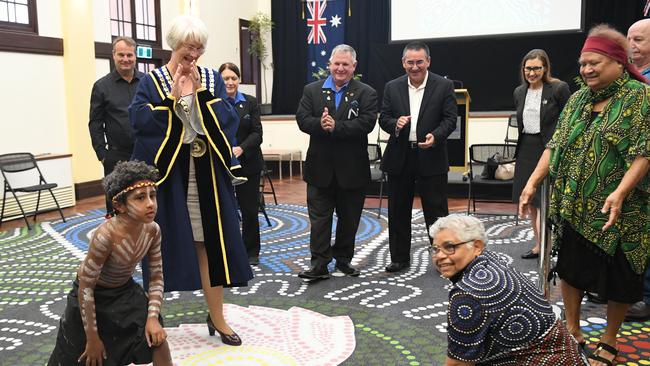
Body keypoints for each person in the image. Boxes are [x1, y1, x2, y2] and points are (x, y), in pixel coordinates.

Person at [520, 25, 649, 366]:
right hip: (574, 206)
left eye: (595, 63)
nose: (587, 70)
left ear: (619, 62)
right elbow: (555, 144)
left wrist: (621, 192)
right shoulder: (577, 99)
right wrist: (532, 182)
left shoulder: (639, 97)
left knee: (621, 277)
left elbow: (644, 152)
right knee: (571, 270)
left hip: (622, 211)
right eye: (583, 64)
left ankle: (609, 339)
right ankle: (573, 329)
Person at [129, 15, 253, 346]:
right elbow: (139, 121)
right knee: (157, 245)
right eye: (188, 47)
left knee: (209, 243)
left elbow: (228, 120)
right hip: (168, 178)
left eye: (199, 48)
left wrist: (199, 94)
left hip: (205, 177)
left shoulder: (210, 78)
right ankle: (153, 316)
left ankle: (217, 316)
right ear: (174, 45)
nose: (194, 54)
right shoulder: (152, 81)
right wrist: (171, 101)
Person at [48, 161, 172, 366]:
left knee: (157, 338)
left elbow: (157, 276)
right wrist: (92, 339)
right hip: (90, 296)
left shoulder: (153, 230)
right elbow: (86, 287)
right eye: (140, 198)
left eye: (153, 195)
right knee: (84, 356)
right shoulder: (106, 236)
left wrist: (152, 318)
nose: (150, 203)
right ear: (119, 205)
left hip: (123, 290)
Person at [429, 214, 588, 366]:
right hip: (564, 354)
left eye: (449, 247)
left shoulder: (469, 293)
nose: (439, 256)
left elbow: (458, 363)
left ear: (477, 246)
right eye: (435, 249)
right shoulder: (491, 261)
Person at [295, 44, 378, 280]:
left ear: (354, 67)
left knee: (349, 220)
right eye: (336, 64)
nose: (340, 68)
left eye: (345, 64)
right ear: (329, 65)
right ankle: (319, 264)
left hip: (352, 170)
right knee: (319, 220)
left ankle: (343, 260)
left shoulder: (367, 93)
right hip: (319, 170)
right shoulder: (311, 90)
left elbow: (367, 123)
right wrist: (320, 125)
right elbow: (302, 119)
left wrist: (337, 126)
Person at [379, 41, 457, 273]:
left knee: (436, 212)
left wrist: (437, 135)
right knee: (398, 210)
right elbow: (383, 118)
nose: (415, 67)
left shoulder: (443, 86)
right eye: (410, 62)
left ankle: (442, 257)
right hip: (399, 157)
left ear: (428, 62)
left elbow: (450, 119)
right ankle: (399, 258)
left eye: (419, 62)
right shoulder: (392, 87)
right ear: (403, 63)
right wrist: (395, 123)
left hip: (431, 155)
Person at [511, 49, 570, 259]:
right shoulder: (519, 92)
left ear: (545, 68)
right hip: (526, 147)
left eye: (536, 68)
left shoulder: (558, 88)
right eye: (528, 68)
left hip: (549, 148)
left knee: (547, 202)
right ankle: (539, 245)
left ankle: (551, 246)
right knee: (532, 202)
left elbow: (569, 120)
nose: (532, 72)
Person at [89, 36, 145, 216]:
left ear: (135, 56)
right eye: (121, 54)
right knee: (117, 205)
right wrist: (102, 154)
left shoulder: (147, 82)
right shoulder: (101, 86)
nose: (126, 59)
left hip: (145, 152)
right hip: (116, 156)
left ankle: (147, 241)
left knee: (146, 202)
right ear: (113, 55)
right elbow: (95, 123)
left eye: (129, 55)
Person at [219, 62, 264, 266]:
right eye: (226, 78)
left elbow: (257, 133)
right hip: (221, 164)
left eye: (233, 78)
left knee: (249, 209)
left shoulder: (250, 102)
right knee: (223, 210)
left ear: (239, 80)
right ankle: (226, 250)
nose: (230, 82)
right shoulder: (213, 102)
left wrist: (241, 149)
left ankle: (251, 252)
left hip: (248, 164)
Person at [625, 19, 650, 321]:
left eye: (639, 39)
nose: (631, 45)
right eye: (629, 39)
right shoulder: (632, 77)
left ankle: (646, 296)